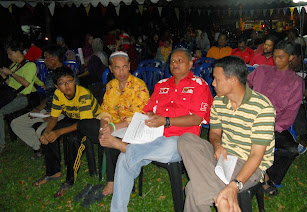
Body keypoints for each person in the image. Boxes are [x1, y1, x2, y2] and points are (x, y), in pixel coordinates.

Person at [100, 48, 213, 211]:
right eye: (172, 61)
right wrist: (149, 118)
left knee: (162, 147)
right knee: (123, 160)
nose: (175, 64)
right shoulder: (161, 85)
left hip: (182, 138)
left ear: (190, 64)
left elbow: (197, 118)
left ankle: (127, 148)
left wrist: (166, 121)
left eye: (180, 60)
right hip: (153, 135)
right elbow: (147, 110)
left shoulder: (199, 85)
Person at [178, 56, 275, 211]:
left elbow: (256, 155)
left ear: (233, 80)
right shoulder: (218, 101)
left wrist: (234, 186)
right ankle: (220, 199)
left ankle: (220, 199)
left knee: (193, 189)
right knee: (186, 139)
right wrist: (217, 145)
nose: (213, 83)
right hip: (224, 156)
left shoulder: (262, 107)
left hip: (249, 163)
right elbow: (215, 133)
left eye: (216, 79)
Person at [77, 51, 149, 196]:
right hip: (113, 126)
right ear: (111, 69)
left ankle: (112, 181)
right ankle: (106, 139)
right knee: (84, 124)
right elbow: (106, 111)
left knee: (112, 138)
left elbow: (139, 116)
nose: (121, 72)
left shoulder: (139, 86)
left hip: (133, 126)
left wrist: (113, 127)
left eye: (124, 67)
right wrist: (104, 126)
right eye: (117, 68)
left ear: (129, 66)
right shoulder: (111, 86)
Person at [33, 66, 101, 198]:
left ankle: (70, 180)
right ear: (56, 86)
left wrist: (59, 132)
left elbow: (83, 123)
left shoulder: (83, 94)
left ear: (74, 80)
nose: (67, 86)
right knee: (48, 134)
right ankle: (53, 172)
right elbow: (54, 117)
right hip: (73, 119)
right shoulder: (58, 95)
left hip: (90, 122)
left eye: (69, 81)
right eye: (62, 83)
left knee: (73, 139)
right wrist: (48, 131)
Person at [247, 40, 304, 196]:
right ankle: (257, 177)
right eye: (275, 56)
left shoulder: (296, 82)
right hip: (250, 119)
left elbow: (291, 112)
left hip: (273, 125)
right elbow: (243, 84)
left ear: (291, 57)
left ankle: (268, 177)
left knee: (292, 149)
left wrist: (272, 129)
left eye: (281, 57)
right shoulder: (261, 71)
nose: (277, 60)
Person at [11, 45, 65, 159]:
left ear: (54, 59)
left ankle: (48, 154)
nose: (44, 61)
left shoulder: (66, 75)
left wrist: (52, 115)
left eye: (46, 58)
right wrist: (39, 108)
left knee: (41, 131)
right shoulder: (50, 75)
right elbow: (49, 96)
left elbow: (71, 100)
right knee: (16, 123)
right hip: (47, 111)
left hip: (61, 112)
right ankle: (39, 147)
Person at [0, 41, 37, 153]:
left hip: (23, 98)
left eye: (10, 54)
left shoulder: (30, 65)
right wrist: (3, 75)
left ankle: (1, 144)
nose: (9, 56)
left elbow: (26, 84)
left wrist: (11, 73)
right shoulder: (14, 66)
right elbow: (11, 84)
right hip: (11, 96)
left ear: (17, 52)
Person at [290, 44, 307, 154]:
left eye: (293, 58)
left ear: (300, 57)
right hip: (283, 99)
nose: (290, 61)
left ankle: (304, 139)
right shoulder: (285, 69)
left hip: (300, 102)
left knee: (298, 109)